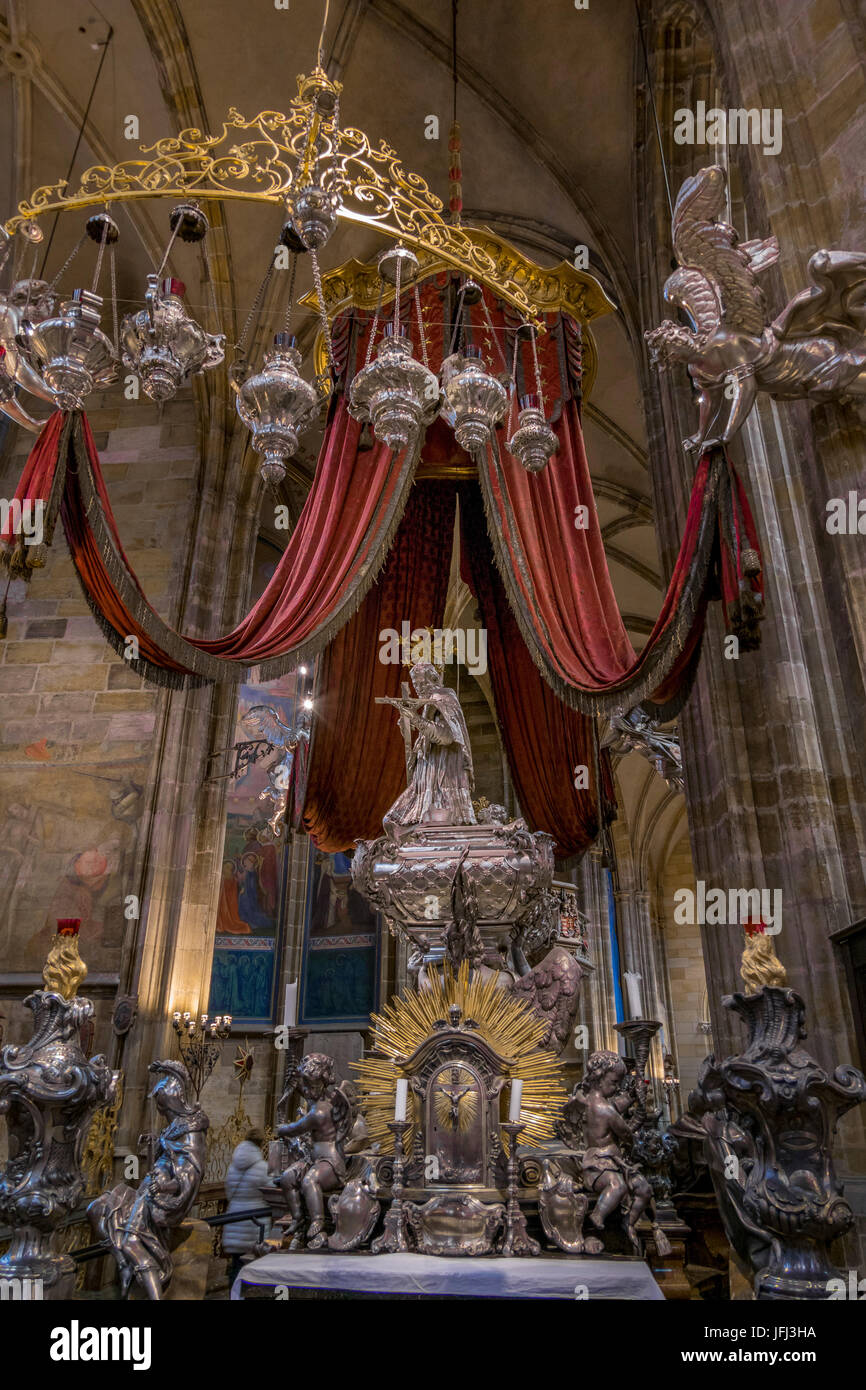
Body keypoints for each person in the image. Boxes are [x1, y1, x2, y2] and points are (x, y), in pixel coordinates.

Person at [223, 1128, 270, 1284]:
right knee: (252, 1265)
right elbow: (269, 1192)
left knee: (236, 1264)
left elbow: (229, 1193)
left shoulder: (233, 1167)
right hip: (254, 1223)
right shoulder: (262, 1167)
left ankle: (233, 1294)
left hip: (234, 1218)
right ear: (261, 1145)